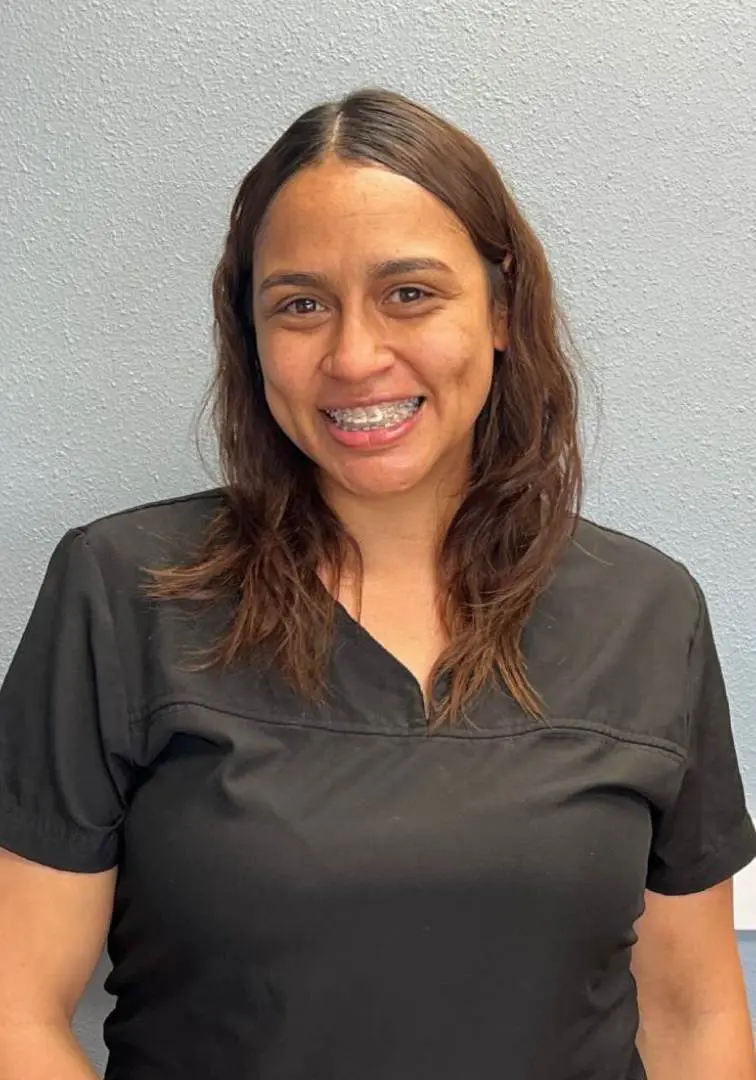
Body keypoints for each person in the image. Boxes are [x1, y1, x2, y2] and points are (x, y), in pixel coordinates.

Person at [0, 87, 754, 1080]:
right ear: (251, 334)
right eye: (301, 304)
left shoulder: (647, 612)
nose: (355, 356)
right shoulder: (123, 592)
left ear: (502, 309)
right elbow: (16, 1010)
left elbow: (694, 1017)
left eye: (410, 293)